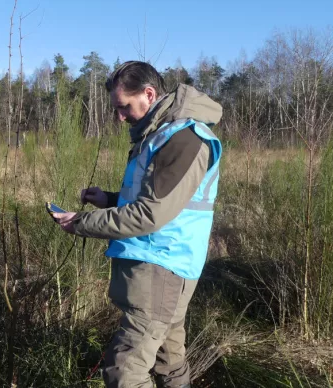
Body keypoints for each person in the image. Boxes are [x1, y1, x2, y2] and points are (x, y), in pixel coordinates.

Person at [52, 61, 223, 388]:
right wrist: (110, 200)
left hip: (163, 268)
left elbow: (151, 214)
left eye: (123, 107)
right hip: (158, 265)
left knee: (124, 371)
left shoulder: (185, 139)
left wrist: (82, 222)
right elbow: (157, 200)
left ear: (149, 94)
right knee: (169, 363)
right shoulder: (158, 136)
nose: (119, 117)